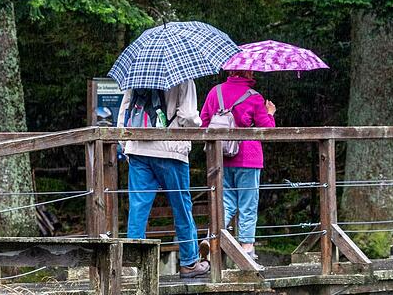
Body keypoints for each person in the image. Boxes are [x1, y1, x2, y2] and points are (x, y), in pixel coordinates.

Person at [117, 79, 211, 278]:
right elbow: (188, 116)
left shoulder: (138, 75)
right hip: (170, 149)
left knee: (138, 208)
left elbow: (124, 112)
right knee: (181, 206)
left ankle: (132, 265)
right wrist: (198, 123)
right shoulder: (184, 77)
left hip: (138, 147)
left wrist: (126, 145)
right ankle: (189, 263)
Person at [200, 70, 276, 260]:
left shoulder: (214, 92)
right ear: (248, 71)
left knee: (225, 202)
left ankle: (211, 240)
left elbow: (203, 123)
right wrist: (270, 113)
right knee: (248, 203)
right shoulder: (254, 97)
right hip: (248, 157)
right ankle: (246, 247)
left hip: (220, 157)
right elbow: (267, 129)